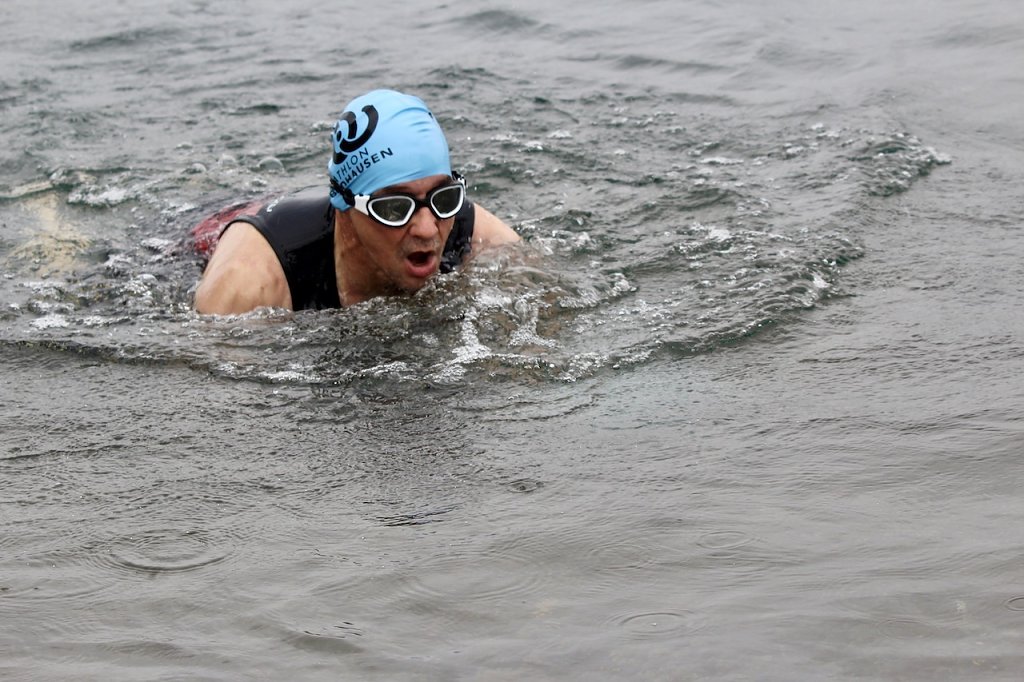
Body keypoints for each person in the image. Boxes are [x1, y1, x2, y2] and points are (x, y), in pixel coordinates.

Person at [193, 89, 519, 314]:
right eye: (395, 208)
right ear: (347, 204)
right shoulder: (249, 284)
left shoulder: (476, 236)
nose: (427, 228)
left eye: (443, 198)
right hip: (207, 232)